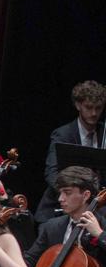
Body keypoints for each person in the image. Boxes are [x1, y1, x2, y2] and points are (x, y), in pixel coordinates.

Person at [35, 80, 106, 223]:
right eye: (89, 107)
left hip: (96, 208)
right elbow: (52, 173)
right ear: (78, 105)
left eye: (98, 108)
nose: (94, 113)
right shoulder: (63, 135)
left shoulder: (105, 133)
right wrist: (72, 195)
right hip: (59, 208)